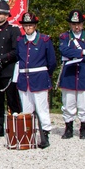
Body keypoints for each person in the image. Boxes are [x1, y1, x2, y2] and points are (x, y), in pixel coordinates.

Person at [16, 11, 57, 149]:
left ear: (35, 26)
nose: (28, 28)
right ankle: (27, 135)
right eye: (25, 25)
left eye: (30, 25)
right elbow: (18, 58)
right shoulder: (20, 41)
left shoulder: (44, 40)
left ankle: (45, 135)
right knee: (26, 109)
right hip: (24, 78)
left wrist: (46, 75)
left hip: (39, 78)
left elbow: (52, 62)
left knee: (42, 108)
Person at [0, 0, 22, 138]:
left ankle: (17, 127)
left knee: (13, 101)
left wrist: (1, 60)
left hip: (8, 70)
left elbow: (15, 51)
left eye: (0, 13)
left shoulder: (13, 30)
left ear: (7, 15)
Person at [58, 10, 85, 139]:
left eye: (79, 24)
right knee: (68, 103)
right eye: (74, 24)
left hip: (84, 73)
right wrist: (82, 53)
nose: (76, 27)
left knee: (84, 104)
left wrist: (77, 54)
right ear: (70, 24)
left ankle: (84, 128)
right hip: (69, 74)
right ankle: (68, 128)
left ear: (83, 24)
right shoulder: (64, 37)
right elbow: (64, 50)